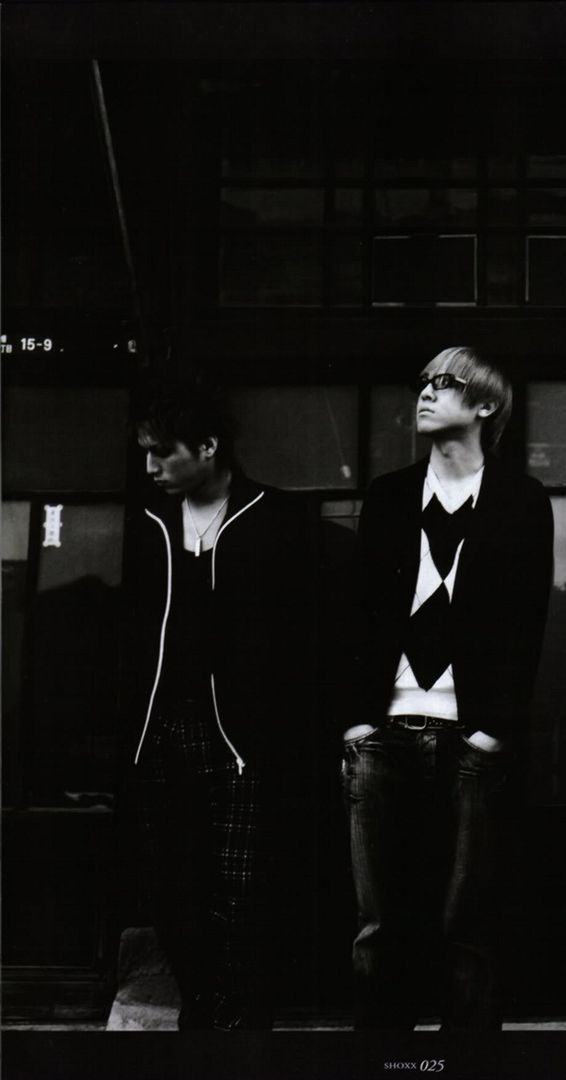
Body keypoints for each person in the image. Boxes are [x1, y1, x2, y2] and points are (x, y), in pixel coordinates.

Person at [344, 347, 553, 1029]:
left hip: (472, 738)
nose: (426, 393)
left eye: (445, 382)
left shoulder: (521, 501)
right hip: (384, 734)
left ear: (486, 405)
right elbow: (356, 614)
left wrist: (494, 730)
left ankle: (467, 1067)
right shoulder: (388, 496)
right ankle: (385, 1065)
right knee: (378, 927)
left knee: (469, 927)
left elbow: (527, 624)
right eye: (424, 383)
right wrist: (357, 722)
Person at [119, 380, 311, 1030]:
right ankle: (202, 1010)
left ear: (207, 446)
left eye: (162, 452)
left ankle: (239, 1022)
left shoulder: (275, 518)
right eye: (145, 452)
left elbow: (306, 639)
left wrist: (278, 735)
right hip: (160, 734)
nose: (150, 466)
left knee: (243, 890)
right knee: (171, 889)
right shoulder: (147, 524)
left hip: (243, 738)